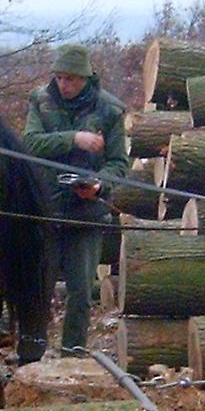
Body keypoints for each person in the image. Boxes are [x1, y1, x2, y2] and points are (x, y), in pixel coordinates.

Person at [20, 43, 130, 360]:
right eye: (59, 78)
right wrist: (74, 139)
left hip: (87, 212)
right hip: (45, 209)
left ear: (85, 78)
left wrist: (99, 184)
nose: (63, 85)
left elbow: (118, 163)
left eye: (70, 79)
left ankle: (73, 355)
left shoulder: (110, 110)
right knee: (36, 287)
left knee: (80, 292)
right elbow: (29, 144)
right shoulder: (40, 100)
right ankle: (29, 354)